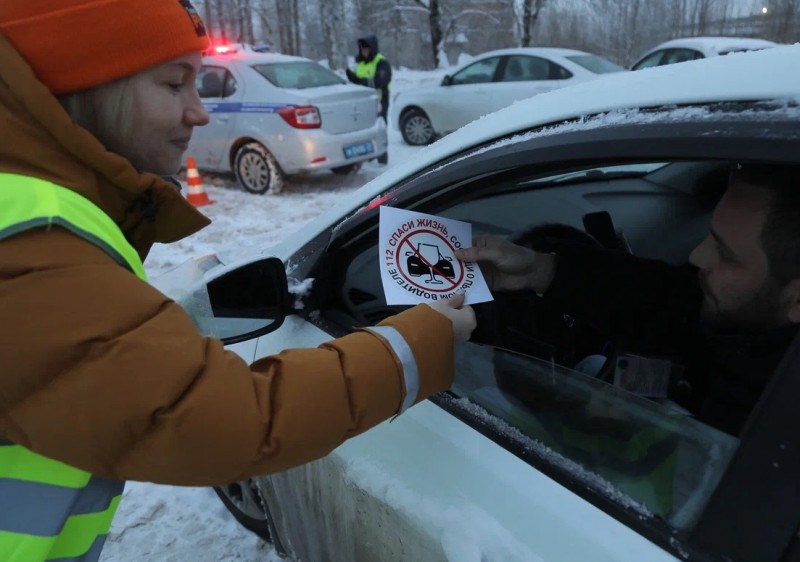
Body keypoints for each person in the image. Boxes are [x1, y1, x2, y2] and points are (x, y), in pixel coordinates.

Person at [0, 2, 475, 561]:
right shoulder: (31, 233)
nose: (198, 113)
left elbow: (90, 357)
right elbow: (220, 418)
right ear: (89, 87)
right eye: (175, 84)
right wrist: (427, 336)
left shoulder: (34, 212)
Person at [456, 163, 800, 437]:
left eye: (725, 253)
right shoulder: (739, 310)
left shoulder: (772, 430)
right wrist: (540, 269)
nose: (697, 255)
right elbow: (663, 294)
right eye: (710, 236)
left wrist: (607, 427)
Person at [346, 34, 391, 164]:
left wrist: (360, 80)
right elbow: (357, 82)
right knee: (366, 129)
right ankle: (370, 154)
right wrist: (352, 78)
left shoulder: (382, 62)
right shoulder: (360, 63)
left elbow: (380, 81)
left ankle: (382, 156)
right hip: (363, 102)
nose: (364, 52)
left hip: (379, 100)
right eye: (362, 50)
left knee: (380, 128)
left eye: (367, 49)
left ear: (372, 49)